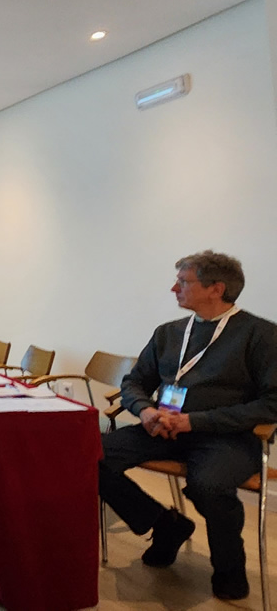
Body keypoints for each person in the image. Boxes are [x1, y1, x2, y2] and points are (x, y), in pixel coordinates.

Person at [100, 250, 277, 601]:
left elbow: (271, 403)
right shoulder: (169, 333)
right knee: (90, 454)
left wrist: (195, 421)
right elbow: (134, 382)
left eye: (183, 281)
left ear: (216, 288)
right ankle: (166, 525)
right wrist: (146, 411)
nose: (174, 288)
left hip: (225, 437)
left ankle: (229, 568)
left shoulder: (261, 335)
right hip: (162, 428)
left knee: (208, 485)